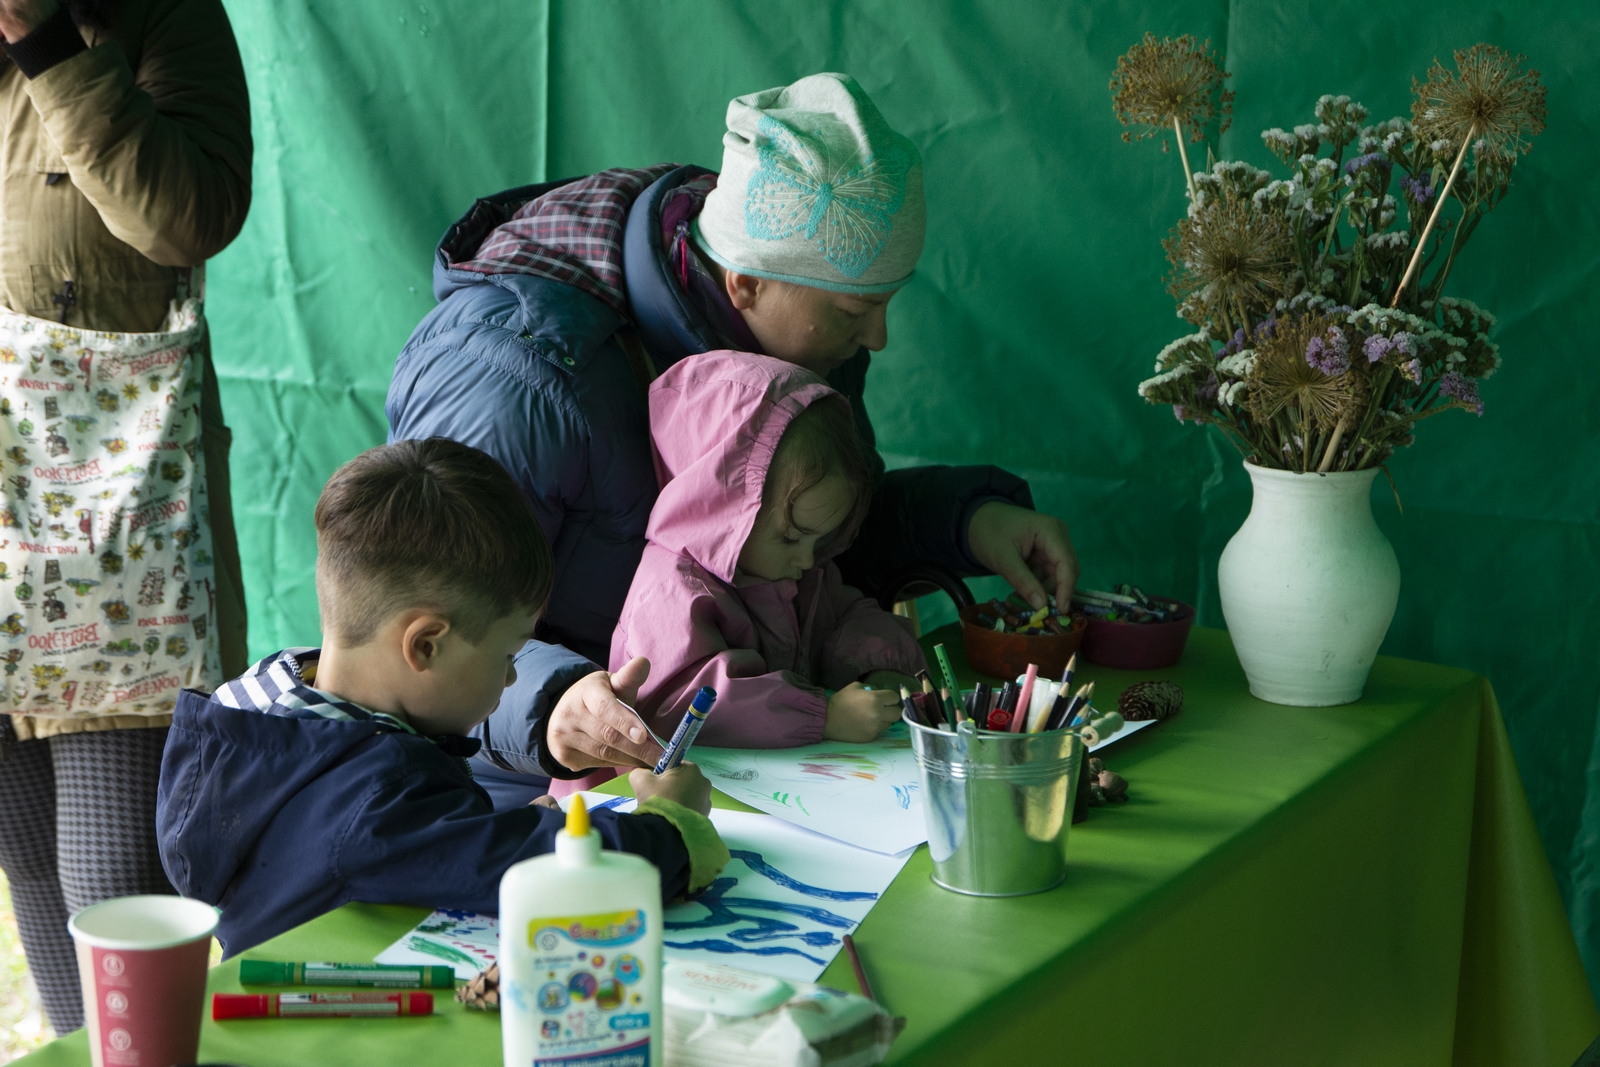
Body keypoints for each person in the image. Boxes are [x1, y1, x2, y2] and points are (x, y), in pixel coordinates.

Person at [387, 72, 1077, 807]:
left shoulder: (805, 335)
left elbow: (798, 546)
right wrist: (554, 701)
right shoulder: (514, 377)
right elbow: (423, 637)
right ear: (744, 283)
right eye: (855, 311)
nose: (877, 336)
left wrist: (963, 523)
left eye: (884, 304)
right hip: (533, 795)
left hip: (756, 770)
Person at [156, 439, 726, 955]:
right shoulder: (380, 801)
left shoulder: (258, 704)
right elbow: (547, 875)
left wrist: (464, 833)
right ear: (425, 646)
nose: (511, 680)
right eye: (508, 655)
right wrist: (671, 825)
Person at [0, 0, 251, 1034]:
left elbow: (189, 218)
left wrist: (48, 47)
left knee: (112, 874)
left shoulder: (163, 15)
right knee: (23, 846)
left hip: (110, 510)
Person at [615, 352, 926, 751]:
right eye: (792, 538)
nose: (808, 560)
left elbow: (849, 616)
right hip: (647, 786)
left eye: (821, 539)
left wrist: (879, 669)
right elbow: (682, 705)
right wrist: (823, 716)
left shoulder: (796, 572)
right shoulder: (671, 590)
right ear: (726, 511)